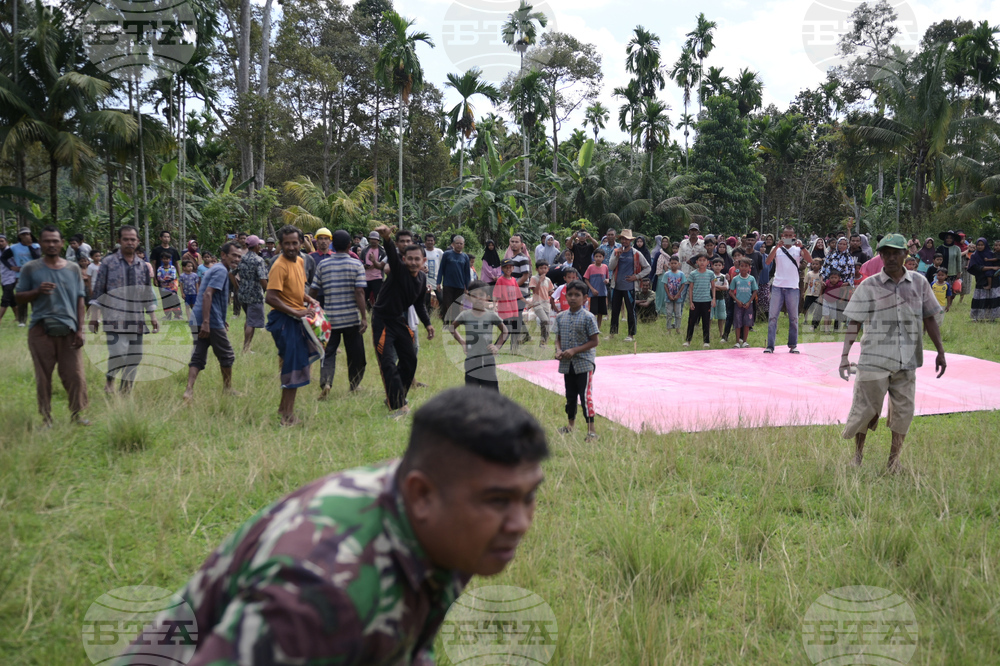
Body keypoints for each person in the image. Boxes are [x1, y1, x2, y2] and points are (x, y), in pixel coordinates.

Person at [133, 387, 546, 666]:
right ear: (421, 495)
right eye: (498, 501)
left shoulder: (450, 521)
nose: (520, 523)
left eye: (528, 497)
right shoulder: (317, 596)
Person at [839, 234, 946, 473]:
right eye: (885, 253)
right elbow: (854, 322)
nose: (890, 257)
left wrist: (940, 351)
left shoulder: (919, 283)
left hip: (906, 358)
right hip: (874, 359)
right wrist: (845, 355)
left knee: (903, 412)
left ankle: (893, 462)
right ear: (880, 255)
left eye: (896, 252)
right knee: (866, 408)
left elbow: (930, 317)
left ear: (906, 255)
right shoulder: (869, 285)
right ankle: (857, 457)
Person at [15, 226, 89, 425]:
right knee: (43, 376)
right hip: (41, 329)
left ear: (62, 243)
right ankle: (46, 419)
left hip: (69, 330)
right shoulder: (31, 268)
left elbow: (80, 301)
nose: (51, 244)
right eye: (47, 241)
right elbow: (19, 297)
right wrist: (37, 291)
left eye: (55, 241)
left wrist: (81, 329)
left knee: (75, 375)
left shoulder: (73, 268)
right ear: (40, 243)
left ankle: (77, 415)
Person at [369, 225, 434, 416]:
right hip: (382, 320)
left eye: (417, 260)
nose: (413, 263)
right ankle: (399, 405)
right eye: (410, 259)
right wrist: (388, 238)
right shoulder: (398, 270)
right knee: (387, 363)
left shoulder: (422, 279)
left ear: (423, 261)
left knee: (410, 360)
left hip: (399, 321)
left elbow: (419, 305)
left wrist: (428, 324)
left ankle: (396, 394)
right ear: (404, 259)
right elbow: (392, 253)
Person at [265, 226, 322, 426]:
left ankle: (284, 409)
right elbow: (270, 297)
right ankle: (287, 417)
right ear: (280, 245)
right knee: (293, 365)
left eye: (294, 243)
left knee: (297, 363)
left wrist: (308, 300)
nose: (291, 247)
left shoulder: (301, 261)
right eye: (287, 243)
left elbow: (296, 289)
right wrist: (297, 311)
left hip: (296, 319)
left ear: (301, 243)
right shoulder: (279, 265)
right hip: (283, 320)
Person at [183, 242, 243, 402]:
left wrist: (221, 320)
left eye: (239, 256)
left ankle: (188, 391)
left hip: (202, 318)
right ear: (223, 255)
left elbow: (213, 297)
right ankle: (228, 389)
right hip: (208, 321)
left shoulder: (217, 269)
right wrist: (208, 323)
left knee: (198, 355)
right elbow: (208, 295)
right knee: (227, 355)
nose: (237, 259)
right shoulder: (221, 270)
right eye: (234, 255)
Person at [310, 230, 368, 397]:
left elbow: (313, 290)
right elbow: (360, 292)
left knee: (328, 353)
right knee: (356, 355)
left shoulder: (323, 265)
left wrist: (311, 309)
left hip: (330, 319)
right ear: (350, 246)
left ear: (332, 244)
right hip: (351, 319)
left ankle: (327, 382)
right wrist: (364, 317)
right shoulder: (356, 265)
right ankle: (354, 385)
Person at [554, 280, 600, 440]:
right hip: (567, 364)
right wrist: (558, 350)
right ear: (565, 296)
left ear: (585, 298)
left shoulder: (589, 317)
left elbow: (594, 341)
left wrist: (574, 350)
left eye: (577, 295)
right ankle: (570, 426)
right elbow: (557, 339)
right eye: (570, 294)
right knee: (570, 396)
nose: (573, 298)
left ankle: (592, 431)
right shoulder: (560, 317)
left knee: (585, 396)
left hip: (584, 363)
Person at [449, 280, 509, 392]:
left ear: (487, 297)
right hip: (471, 360)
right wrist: (462, 342)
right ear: (469, 297)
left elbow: (505, 330)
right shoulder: (465, 315)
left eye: (481, 295)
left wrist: (497, 346)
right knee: (472, 392)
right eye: (474, 295)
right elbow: (452, 328)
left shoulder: (491, 315)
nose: (478, 298)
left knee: (491, 392)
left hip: (488, 360)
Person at [764, 225, 811, 354]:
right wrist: (777, 247)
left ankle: (793, 345)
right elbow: (768, 262)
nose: (788, 238)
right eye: (786, 235)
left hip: (793, 287)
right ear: (782, 236)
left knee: (794, 318)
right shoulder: (777, 249)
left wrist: (802, 247)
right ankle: (770, 345)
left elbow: (810, 260)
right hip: (778, 286)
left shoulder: (797, 249)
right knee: (773, 317)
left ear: (794, 236)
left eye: (791, 236)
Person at [607, 229, 650, 342]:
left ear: (630, 241)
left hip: (630, 287)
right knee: (615, 311)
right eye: (622, 239)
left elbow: (648, 267)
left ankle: (631, 335)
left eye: (627, 239)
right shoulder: (616, 251)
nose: (624, 241)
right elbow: (610, 267)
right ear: (620, 240)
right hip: (616, 286)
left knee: (631, 311)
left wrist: (636, 277)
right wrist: (617, 256)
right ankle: (612, 333)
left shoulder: (636, 253)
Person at [1, 227, 42, 326]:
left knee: (34, 297)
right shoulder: (14, 247)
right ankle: (22, 320)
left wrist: (29, 246)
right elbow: (3, 257)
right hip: (21, 275)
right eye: (24, 234)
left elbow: (37, 257)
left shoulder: (36, 245)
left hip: (35, 274)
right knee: (22, 297)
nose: (26, 236)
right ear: (20, 236)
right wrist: (11, 267)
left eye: (28, 234)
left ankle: (36, 318)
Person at [236, 235, 270, 354]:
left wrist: (237, 287)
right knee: (252, 322)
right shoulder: (258, 260)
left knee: (249, 319)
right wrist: (268, 292)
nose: (260, 247)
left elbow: (231, 273)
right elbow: (262, 278)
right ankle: (245, 348)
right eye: (259, 245)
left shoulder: (241, 258)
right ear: (255, 246)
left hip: (243, 294)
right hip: (255, 295)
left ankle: (248, 347)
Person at [438, 235, 471, 324]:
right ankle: (445, 323)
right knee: (446, 305)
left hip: (459, 285)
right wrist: (438, 282)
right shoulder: (447, 254)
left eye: (461, 243)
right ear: (453, 244)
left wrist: (467, 287)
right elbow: (441, 269)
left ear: (463, 245)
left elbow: (467, 274)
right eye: (457, 243)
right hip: (448, 284)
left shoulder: (465, 257)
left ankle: (453, 326)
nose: (459, 245)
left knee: (456, 306)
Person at [685, 254, 714, 347]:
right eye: (700, 260)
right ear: (696, 262)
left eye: (704, 260)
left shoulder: (710, 274)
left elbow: (713, 287)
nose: (702, 262)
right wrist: (691, 302)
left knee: (706, 321)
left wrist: (713, 299)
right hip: (696, 301)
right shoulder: (693, 274)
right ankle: (688, 340)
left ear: (707, 262)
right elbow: (690, 288)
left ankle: (706, 341)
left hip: (706, 301)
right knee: (691, 321)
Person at [968, 238, 999, 322]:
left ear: (985, 245)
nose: (980, 246)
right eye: (978, 245)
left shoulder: (992, 254)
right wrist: (991, 267)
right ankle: (977, 317)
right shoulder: (974, 255)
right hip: (981, 278)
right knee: (980, 298)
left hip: (993, 279)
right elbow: (976, 267)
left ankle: (991, 317)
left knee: (991, 297)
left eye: (982, 245)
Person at [729, 257, 758, 347]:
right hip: (738, 305)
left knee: (747, 323)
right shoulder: (735, 279)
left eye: (746, 266)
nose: (744, 268)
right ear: (739, 267)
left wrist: (749, 302)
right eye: (742, 266)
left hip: (748, 305)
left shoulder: (751, 279)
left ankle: (745, 341)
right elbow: (731, 291)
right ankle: (737, 342)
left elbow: (755, 291)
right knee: (738, 323)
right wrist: (737, 301)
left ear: (749, 267)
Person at [494, 259, 521, 352]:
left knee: (515, 329)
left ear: (513, 268)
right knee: (507, 330)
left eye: (510, 267)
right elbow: (496, 294)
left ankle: (514, 349)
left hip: (514, 309)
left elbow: (518, 294)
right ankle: (495, 348)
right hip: (505, 310)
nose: (508, 269)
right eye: (506, 267)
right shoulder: (500, 280)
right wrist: (494, 306)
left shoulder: (513, 280)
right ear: (502, 268)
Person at [660, 255, 686, 335]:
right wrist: (669, 295)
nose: (674, 265)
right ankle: (668, 329)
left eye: (675, 263)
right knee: (669, 314)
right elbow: (665, 285)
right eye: (672, 263)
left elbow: (683, 285)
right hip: (669, 297)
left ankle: (677, 329)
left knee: (678, 314)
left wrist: (678, 294)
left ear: (678, 264)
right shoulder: (667, 274)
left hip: (678, 297)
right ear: (669, 264)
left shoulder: (681, 274)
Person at [583, 249, 609, 329]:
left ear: (603, 258)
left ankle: (598, 327)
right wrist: (592, 289)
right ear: (593, 257)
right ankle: (592, 327)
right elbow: (586, 279)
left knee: (601, 312)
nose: (598, 258)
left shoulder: (605, 267)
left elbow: (608, 277)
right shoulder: (591, 267)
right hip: (593, 293)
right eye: (596, 256)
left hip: (602, 292)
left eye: (600, 256)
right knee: (593, 312)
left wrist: (607, 280)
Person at [529, 261, 554, 345]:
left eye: (545, 268)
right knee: (545, 320)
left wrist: (552, 293)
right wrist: (539, 281)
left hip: (546, 303)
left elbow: (550, 291)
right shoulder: (534, 278)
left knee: (546, 324)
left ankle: (543, 342)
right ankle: (543, 341)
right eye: (541, 268)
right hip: (537, 303)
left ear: (548, 269)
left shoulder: (548, 280)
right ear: (537, 269)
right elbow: (535, 291)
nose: (543, 270)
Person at [820, 269, 849, 333]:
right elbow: (822, 288)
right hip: (826, 300)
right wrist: (820, 297)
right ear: (829, 278)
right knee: (826, 315)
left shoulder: (840, 284)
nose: (833, 279)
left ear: (839, 278)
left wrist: (842, 298)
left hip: (834, 302)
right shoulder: (827, 283)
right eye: (832, 277)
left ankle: (829, 328)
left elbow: (845, 290)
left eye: (835, 278)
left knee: (831, 316)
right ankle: (826, 329)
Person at [156, 253, 182, 320]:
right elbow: (159, 278)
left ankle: (177, 315)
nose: (166, 260)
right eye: (164, 259)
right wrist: (166, 279)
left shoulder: (173, 268)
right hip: (164, 289)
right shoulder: (160, 268)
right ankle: (167, 315)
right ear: (161, 259)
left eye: (167, 259)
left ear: (170, 259)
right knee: (166, 302)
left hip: (172, 289)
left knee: (174, 301)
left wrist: (164, 279)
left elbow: (173, 277)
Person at [0, 234, 18, 326]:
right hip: (4, 277)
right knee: (11, 299)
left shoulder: (11, 251)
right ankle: (18, 317)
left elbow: (18, 261)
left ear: (6, 242)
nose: (0, 243)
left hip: (12, 277)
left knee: (5, 298)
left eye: (2, 241)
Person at [423, 233, 444, 311]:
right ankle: (429, 316)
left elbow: (445, 262)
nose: (430, 242)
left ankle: (441, 314)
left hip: (436, 281)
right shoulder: (422, 252)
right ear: (425, 242)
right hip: (426, 281)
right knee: (427, 300)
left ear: (434, 242)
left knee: (441, 299)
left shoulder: (439, 252)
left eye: (431, 240)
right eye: (428, 240)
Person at [803, 257, 824, 332]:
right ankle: (805, 319)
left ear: (820, 265)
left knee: (816, 309)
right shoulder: (809, 274)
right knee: (806, 307)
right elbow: (806, 284)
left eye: (816, 264)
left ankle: (813, 321)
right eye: (813, 264)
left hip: (817, 294)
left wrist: (821, 295)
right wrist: (803, 292)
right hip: (809, 293)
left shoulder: (821, 275)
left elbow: (822, 286)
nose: (814, 266)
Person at [710, 257, 729, 340]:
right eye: (716, 265)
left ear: (722, 267)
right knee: (709, 317)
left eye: (719, 265)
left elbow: (726, 287)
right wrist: (719, 287)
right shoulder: (710, 276)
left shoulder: (723, 276)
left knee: (721, 317)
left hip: (721, 298)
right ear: (712, 266)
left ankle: (721, 332)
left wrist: (715, 286)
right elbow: (709, 287)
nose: (717, 267)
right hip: (710, 298)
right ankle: (708, 332)